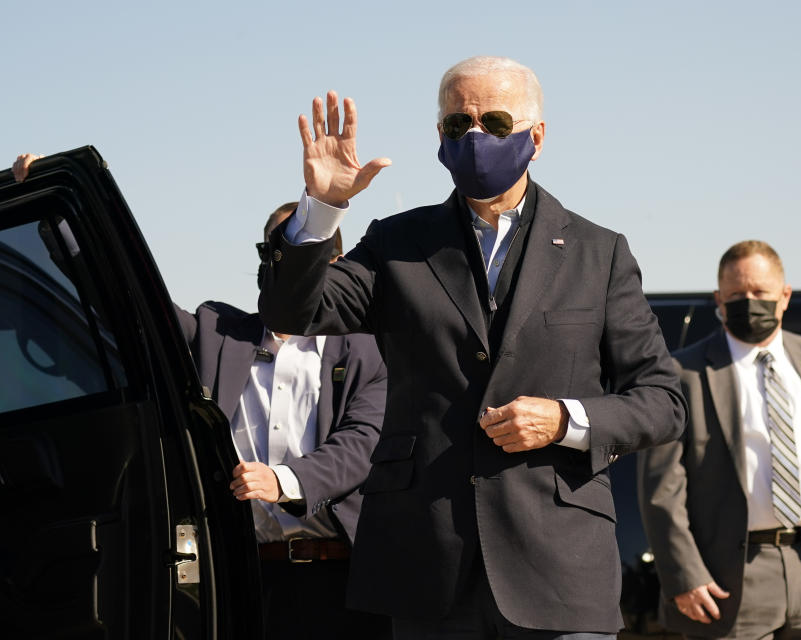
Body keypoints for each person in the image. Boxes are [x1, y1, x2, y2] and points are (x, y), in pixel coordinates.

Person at [257, 56, 688, 638]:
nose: (476, 137)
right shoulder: (396, 242)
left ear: (536, 137)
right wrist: (321, 211)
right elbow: (294, 312)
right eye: (459, 125)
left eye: (496, 122)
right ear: (440, 136)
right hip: (426, 568)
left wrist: (566, 419)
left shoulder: (598, 252)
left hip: (558, 572)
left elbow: (662, 400)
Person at [13, 154, 391, 639]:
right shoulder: (215, 333)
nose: (275, 262)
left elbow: (361, 444)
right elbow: (126, 306)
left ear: (330, 265)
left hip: (340, 582)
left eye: (291, 250)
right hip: (235, 579)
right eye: (269, 250)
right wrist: (61, 216)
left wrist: (285, 480)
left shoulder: (370, 350)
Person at [637, 240, 801, 639]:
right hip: (730, 579)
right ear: (718, 299)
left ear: (784, 296)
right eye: (736, 294)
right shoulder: (682, 373)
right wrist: (683, 575)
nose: (748, 302)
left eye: (760, 293)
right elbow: (661, 489)